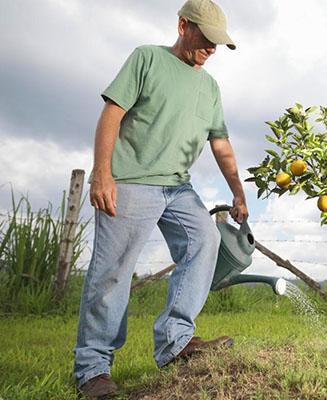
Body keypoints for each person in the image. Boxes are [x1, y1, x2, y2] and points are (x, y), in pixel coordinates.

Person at [73, 0, 248, 397]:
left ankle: (176, 341)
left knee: (206, 239)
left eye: (218, 43)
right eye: (206, 39)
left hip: (178, 186)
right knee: (113, 272)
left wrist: (238, 190)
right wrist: (102, 173)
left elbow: (220, 143)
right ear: (183, 26)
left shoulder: (210, 87)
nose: (211, 49)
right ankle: (93, 369)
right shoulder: (146, 59)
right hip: (131, 180)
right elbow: (112, 114)